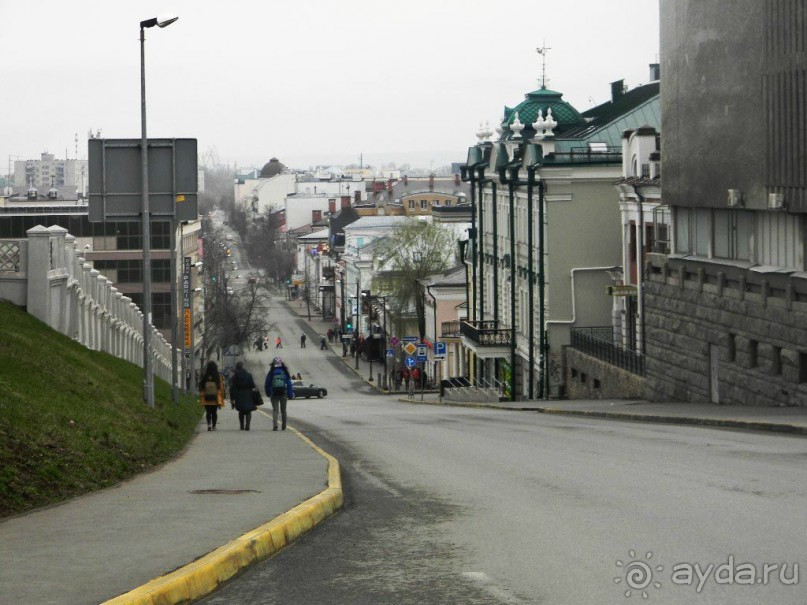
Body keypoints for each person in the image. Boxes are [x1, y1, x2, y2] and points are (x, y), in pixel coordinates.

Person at [265, 357, 294, 431]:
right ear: (281, 364)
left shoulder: (271, 372)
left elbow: (267, 384)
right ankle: (284, 425)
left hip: (274, 393)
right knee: (283, 410)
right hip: (283, 393)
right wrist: (290, 394)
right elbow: (289, 384)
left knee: (275, 410)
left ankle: (275, 426)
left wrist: (268, 393)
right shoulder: (284, 372)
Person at [229, 361, 258, 431]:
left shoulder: (234, 377)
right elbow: (253, 385)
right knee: (248, 411)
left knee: (241, 411)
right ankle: (247, 425)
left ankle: (242, 425)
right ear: (243, 366)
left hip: (239, 394)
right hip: (248, 394)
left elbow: (232, 388)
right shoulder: (249, 375)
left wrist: (232, 399)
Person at [199, 361, 225, 431]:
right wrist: (222, 396)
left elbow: (201, 386)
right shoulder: (217, 376)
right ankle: (214, 426)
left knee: (208, 412)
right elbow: (221, 387)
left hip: (206, 397)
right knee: (214, 412)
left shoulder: (205, 376)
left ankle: (209, 425)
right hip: (215, 397)